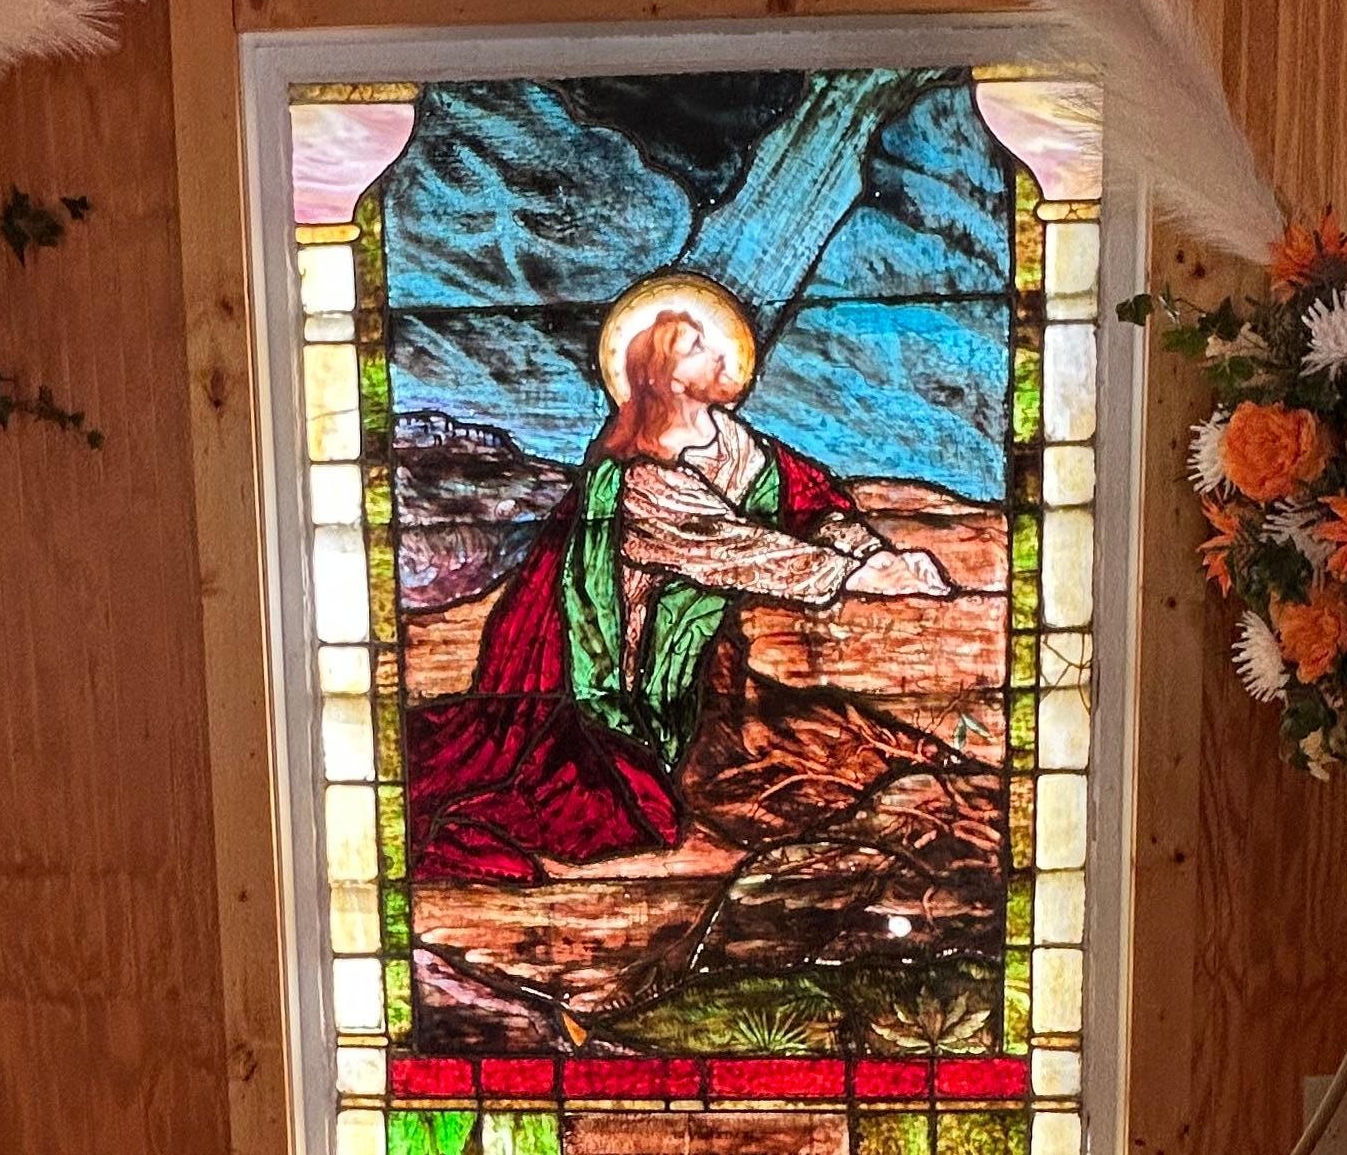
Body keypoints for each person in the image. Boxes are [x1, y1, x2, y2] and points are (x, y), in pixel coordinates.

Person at [405, 276, 945, 887]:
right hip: (618, 693)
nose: (720, 354)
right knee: (614, 813)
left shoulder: (744, 448)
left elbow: (813, 504)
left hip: (691, 675)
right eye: (696, 347)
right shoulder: (637, 480)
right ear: (666, 376)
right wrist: (861, 573)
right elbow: (735, 549)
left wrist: (871, 551)